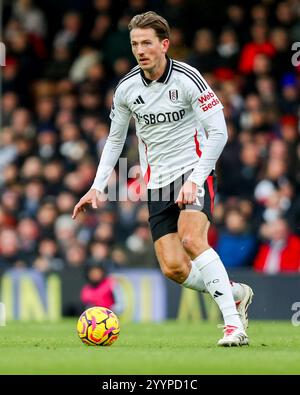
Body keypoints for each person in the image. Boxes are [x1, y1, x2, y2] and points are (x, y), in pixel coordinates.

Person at [72, 11, 254, 346]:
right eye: (134, 44)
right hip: (157, 182)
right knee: (173, 268)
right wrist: (97, 186)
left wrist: (195, 179)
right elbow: (115, 139)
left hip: (193, 170)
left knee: (191, 239)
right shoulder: (126, 88)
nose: (140, 50)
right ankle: (234, 294)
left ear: (164, 45)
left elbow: (219, 132)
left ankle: (233, 326)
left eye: (146, 43)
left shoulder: (188, 78)